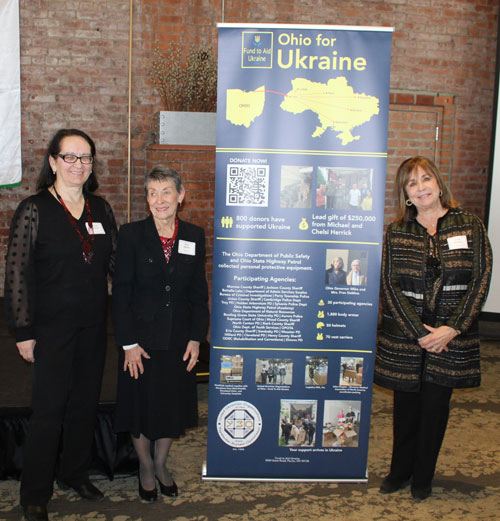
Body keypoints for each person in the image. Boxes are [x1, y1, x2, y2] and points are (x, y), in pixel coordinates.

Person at [3, 129, 117, 521]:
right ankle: (35, 493)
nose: (79, 165)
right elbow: (16, 273)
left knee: (84, 405)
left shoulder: (100, 210)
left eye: (86, 158)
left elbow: (115, 265)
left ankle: (74, 473)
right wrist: (23, 331)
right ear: (52, 161)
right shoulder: (34, 209)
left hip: (92, 326)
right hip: (49, 329)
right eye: (70, 157)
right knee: (48, 410)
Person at [375, 156, 492, 501]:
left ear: (438, 184)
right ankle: (400, 472)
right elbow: (390, 285)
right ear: (406, 194)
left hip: (451, 339)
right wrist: (420, 332)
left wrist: (451, 329)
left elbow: (480, 280)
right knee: (405, 409)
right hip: (406, 341)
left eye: (426, 179)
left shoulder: (469, 225)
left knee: (436, 410)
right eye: (412, 183)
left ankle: (423, 477)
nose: (421, 187)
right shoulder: (397, 231)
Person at [112, 165, 209, 503]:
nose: (159, 199)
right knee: (140, 407)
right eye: (152, 193)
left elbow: (199, 293)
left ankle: (161, 464)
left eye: (166, 191)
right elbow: (121, 293)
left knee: (169, 406)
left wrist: (197, 338)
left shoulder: (194, 235)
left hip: (178, 341)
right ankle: (144, 466)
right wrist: (129, 343)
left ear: (180, 196)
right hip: (140, 342)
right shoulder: (131, 235)